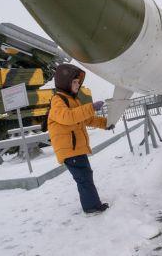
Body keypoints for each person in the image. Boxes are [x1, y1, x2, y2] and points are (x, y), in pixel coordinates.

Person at [48, 63, 114, 214]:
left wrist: (106, 123)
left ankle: (92, 204)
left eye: (78, 82)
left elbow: (87, 120)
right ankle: (91, 206)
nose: (78, 85)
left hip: (75, 148)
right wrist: (91, 107)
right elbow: (68, 117)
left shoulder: (72, 100)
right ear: (65, 82)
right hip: (70, 149)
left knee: (85, 176)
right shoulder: (58, 100)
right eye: (75, 82)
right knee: (84, 177)